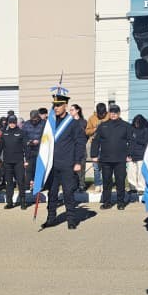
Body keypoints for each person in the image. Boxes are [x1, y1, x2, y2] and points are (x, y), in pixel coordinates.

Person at [40, 90, 87, 230]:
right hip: (52, 165)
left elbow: (80, 143)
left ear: (65, 105)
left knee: (68, 193)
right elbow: (45, 143)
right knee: (52, 193)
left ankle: (71, 220)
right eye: (54, 105)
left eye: (59, 105)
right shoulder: (50, 123)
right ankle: (51, 218)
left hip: (67, 164)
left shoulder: (73, 123)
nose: (56, 108)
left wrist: (78, 162)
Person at [90, 103, 131, 210]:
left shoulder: (125, 126)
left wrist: (130, 155)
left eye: (115, 112)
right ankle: (107, 202)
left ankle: (120, 202)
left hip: (120, 159)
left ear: (119, 113)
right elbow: (96, 141)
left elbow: (132, 141)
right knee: (106, 182)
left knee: (120, 181)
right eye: (111, 112)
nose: (113, 114)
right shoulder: (103, 125)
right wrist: (94, 155)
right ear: (109, 113)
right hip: (106, 159)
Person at [0, 115, 29, 209]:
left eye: (13, 122)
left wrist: (27, 160)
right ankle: (10, 202)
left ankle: (23, 202)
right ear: (8, 123)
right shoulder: (4, 133)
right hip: (7, 162)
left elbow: (26, 148)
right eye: (10, 122)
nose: (12, 124)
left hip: (18, 162)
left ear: (16, 122)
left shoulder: (21, 133)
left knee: (20, 182)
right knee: (9, 183)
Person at [84, 103, 108, 190]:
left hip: (107, 144)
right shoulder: (91, 118)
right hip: (95, 144)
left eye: (103, 114)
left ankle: (106, 184)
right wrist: (95, 129)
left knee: (106, 166)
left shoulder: (110, 116)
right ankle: (98, 184)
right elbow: (87, 131)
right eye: (100, 114)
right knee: (96, 167)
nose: (102, 116)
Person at [127, 114, 148, 197]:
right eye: (135, 122)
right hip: (131, 154)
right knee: (131, 172)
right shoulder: (131, 129)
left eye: (138, 123)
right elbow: (130, 142)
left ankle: (141, 188)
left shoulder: (147, 130)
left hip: (142, 154)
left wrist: (136, 138)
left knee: (141, 173)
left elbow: (146, 142)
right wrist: (128, 153)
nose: (136, 124)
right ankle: (133, 188)